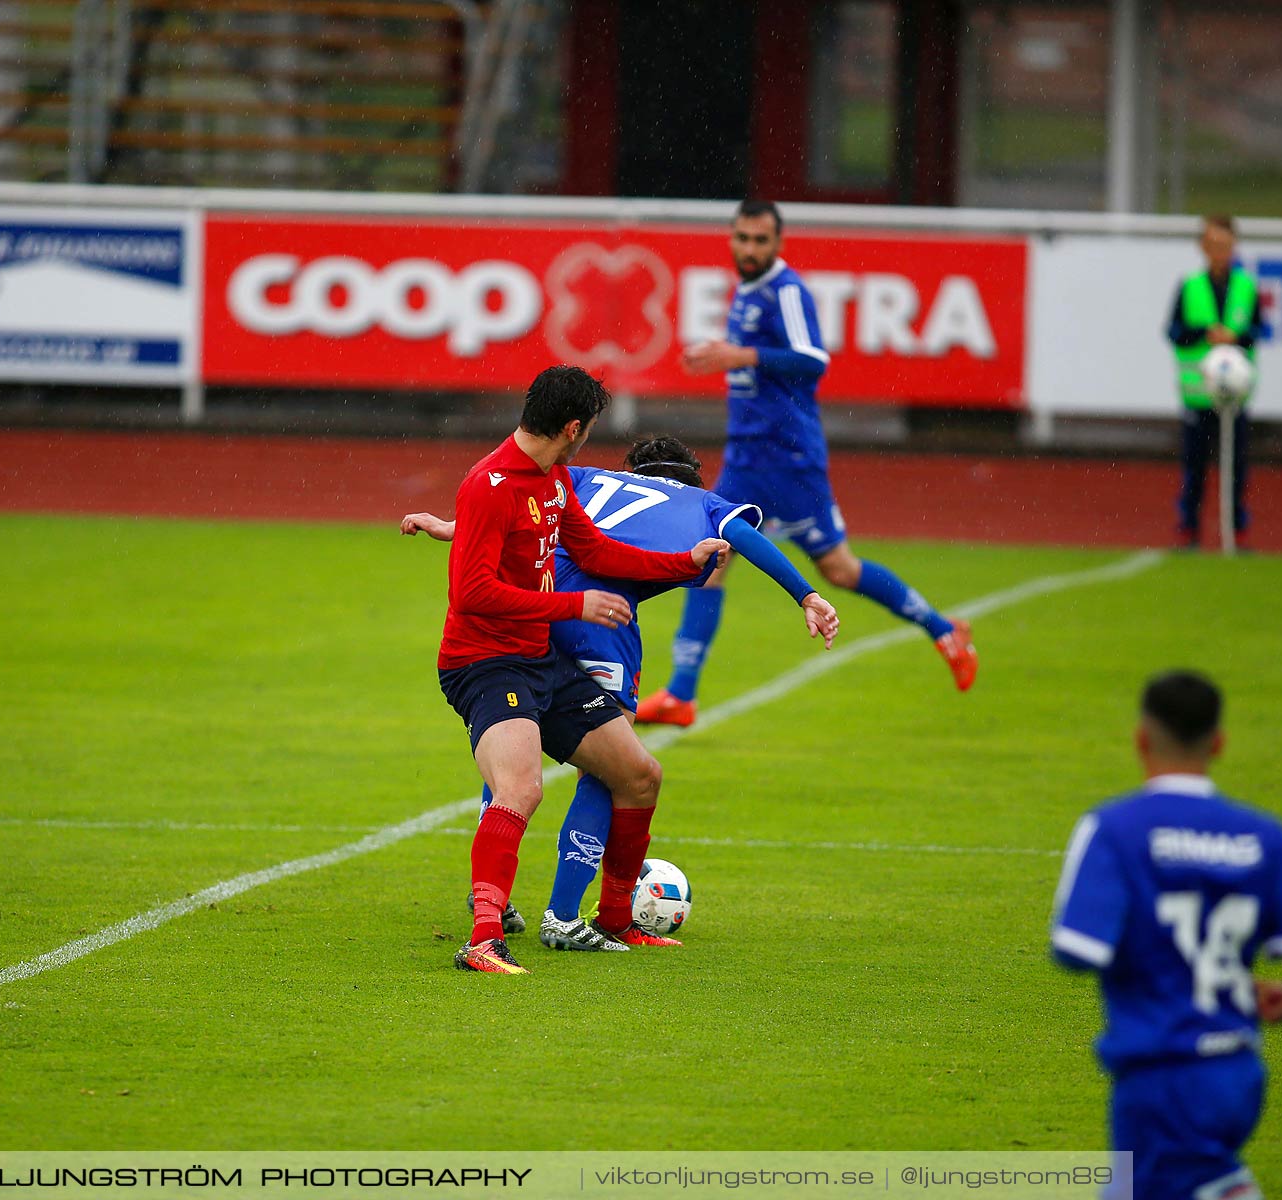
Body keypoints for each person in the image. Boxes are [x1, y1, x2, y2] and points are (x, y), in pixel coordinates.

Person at [405, 435, 839, 952]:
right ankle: (566, 915)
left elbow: (521, 516)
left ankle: (497, 900)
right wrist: (806, 595)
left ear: (633, 467)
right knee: (613, 768)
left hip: (538, 607)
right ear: (691, 479)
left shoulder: (585, 477)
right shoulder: (705, 504)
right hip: (601, 620)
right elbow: (746, 539)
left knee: (514, 739)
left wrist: (451, 528)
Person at [637, 198, 976, 729]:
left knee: (838, 568)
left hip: (790, 461)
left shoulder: (786, 290)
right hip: (747, 457)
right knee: (711, 565)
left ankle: (942, 629)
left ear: (778, 243)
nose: (749, 249)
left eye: (759, 240)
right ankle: (681, 694)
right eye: (742, 238)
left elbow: (813, 359)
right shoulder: (746, 291)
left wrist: (741, 356)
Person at [436, 366, 730, 975]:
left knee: (640, 774)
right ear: (572, 426)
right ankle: (484, 939)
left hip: (540, 656)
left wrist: (684, 562)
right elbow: (472, 594)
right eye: (588, 428)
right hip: (486, 661)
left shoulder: (556, 479)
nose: (588, 438)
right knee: (522, 788)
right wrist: (576, 605)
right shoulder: (487, 485)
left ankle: (615, 919)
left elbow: (596, 551)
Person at [1050, 671, 1282, 1200]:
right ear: (1219, 743)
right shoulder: (1265, 836)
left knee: (1191, 1182)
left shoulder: (1115, 829)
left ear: (1140, 738)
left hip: (1159, 1074)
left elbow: (1075, 950)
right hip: (1238, 1070)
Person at [1168, 215, 1263, 550]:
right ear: (1203, 247)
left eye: (1225, 245)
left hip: (1234, 396)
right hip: (1198, 393)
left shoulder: (1246, 288)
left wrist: (1236, 336)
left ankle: (1235, 533)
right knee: (1194, 467)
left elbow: (1259, 330)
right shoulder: (1190, 286)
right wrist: (1205, 334)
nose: (1220, 251)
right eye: (1213, 245)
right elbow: (1174, 331)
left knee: (1236, 467)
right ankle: (1189, 531)